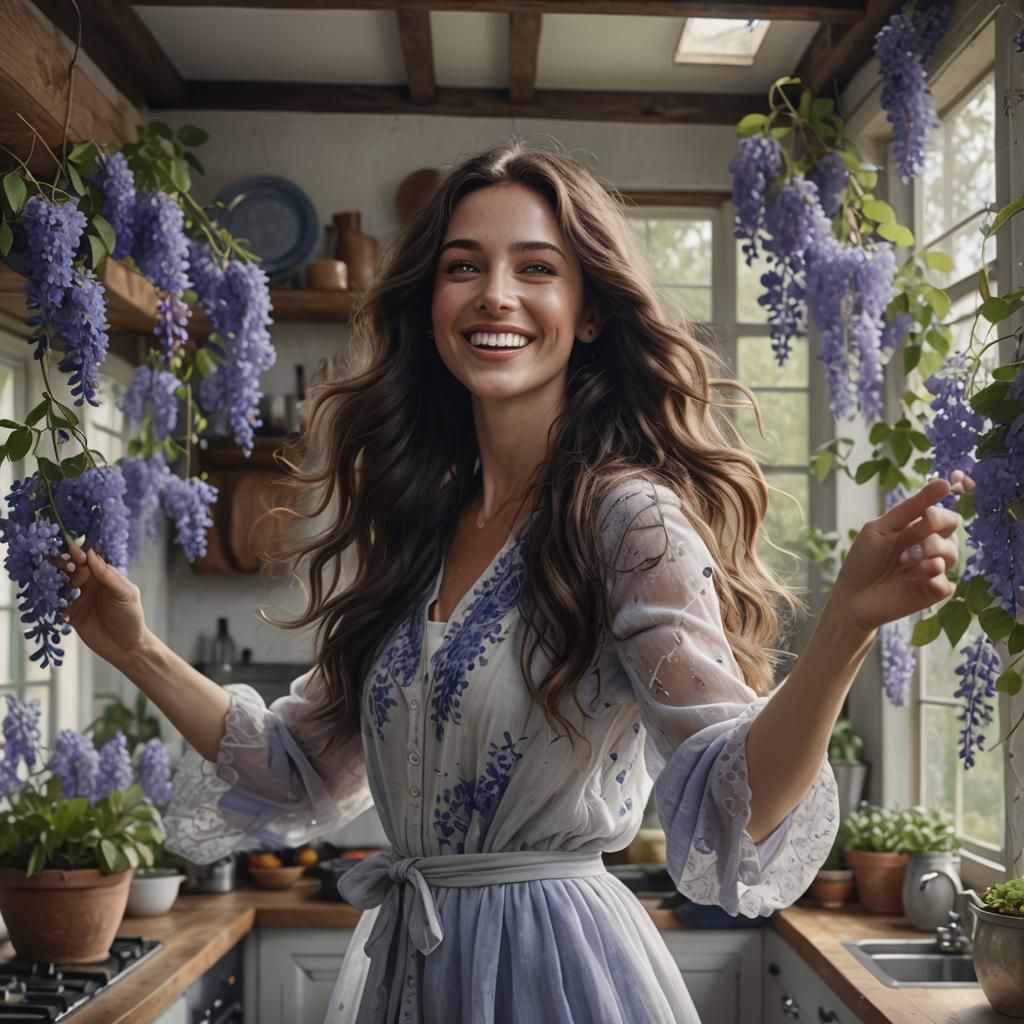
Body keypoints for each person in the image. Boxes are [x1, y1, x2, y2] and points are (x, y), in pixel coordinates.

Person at [58, 143, 970, 1024]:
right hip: (404, 968)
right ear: (429, 307)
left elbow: (733, 793)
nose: (496, 294)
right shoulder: (413, 526)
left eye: (536, 267)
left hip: (555, 972)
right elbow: (298, 773)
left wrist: (847, 625)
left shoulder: (628, 521)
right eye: (464, 266)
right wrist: (134, 649)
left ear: (590, 311)